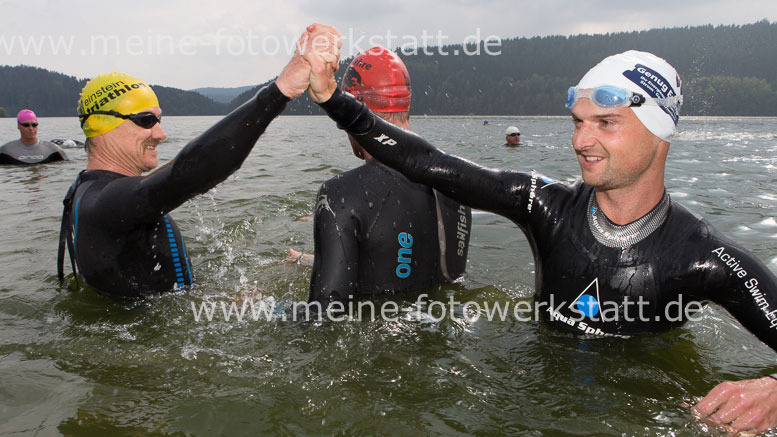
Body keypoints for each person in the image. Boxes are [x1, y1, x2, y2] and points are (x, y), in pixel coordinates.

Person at [305, 43, 777, 433]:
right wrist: (333, 100)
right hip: (529, 397)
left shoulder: (704, 258)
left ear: (659, 134)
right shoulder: (544, 205)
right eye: (578, 121)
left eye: (605, 123)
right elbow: (426, 162)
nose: (580, 141)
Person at [57, 25, 340, 299]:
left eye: (159, 119)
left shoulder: (84, 191)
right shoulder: (105, 201)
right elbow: (186, 173)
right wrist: (280, 92)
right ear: (102, 126)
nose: (160, 133)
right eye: (146, 121)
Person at [302, 46, 472, 310]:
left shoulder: (340, 195)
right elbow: (408, 258)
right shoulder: (457, 182)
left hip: (377, 343)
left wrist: (264, 308)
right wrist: (318, 259)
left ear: (350, 112)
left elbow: (322, 316)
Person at [0, 110, 68, 164]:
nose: (31, 128)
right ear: (18, 126)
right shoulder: (5, 151)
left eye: (34, 125)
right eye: (26, 125)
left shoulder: (54, 150)